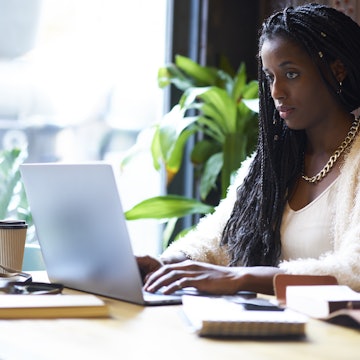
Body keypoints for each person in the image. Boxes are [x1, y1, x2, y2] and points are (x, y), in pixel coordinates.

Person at [137, 3, 360, 295]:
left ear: (338, 70)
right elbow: (218, 240)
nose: (276, 92)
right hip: (270, 331)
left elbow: (354, 272)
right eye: (269, 77)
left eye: (291, 74)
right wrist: (166, 263)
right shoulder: (272, 161)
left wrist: (241, 278)